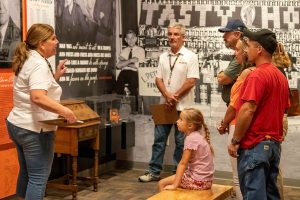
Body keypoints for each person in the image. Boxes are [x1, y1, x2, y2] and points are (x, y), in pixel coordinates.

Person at [6, 23, 77, 200]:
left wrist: (55, 78)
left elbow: (36, 88)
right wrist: (65, 111)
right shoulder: (38, 63)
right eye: (53, 38)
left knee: (27, 173)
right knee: (38, 178)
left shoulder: (30, 58)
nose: (57, 41)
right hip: (35, 129)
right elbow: (37, 97)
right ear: (41, 43)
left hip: (18, 124)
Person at [228, 29, 289, 199]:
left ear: (259, 49)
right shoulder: (280, 76)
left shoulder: (257, 76)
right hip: (273, 146)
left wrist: (235, 140)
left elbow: (247, 110)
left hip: (255, 145)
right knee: (270, 195)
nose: (246, 50)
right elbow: (284, 109)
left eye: (249, 46)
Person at [138, 23, 199, 182]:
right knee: (159, 141)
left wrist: (174, 97)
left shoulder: (191, 56)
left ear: (183, 37)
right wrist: (167, 95)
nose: (172, 37)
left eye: (176, 34)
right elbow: (158, 79)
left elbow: (191, 81)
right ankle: (154, 172)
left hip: (183, 108)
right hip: (164, 106)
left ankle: (177, 175)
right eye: (170, 34)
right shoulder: (163, 56)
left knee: (181, 143)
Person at [217, 39, 255, 200]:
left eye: (238, 50)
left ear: (245, 52)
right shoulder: (254, 72)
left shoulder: (246, 74)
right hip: (245, 125)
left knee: (238, 176)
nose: (235, 53)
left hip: (237, 124)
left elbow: (235, 105)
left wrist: (224, 123)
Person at [158, 108, 214, 191]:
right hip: (207, 181)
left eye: (181, 119)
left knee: (161, 183)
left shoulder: (191, 139)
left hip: (197, 181)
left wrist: (174, 185)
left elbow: (183, 163)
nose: (177, 121)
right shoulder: (198, 135)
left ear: (190, 125)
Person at [217, 19, 246, 106]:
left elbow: (223, 79)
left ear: (237, 34)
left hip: (237, 106)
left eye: (227, 33)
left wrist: (221, 73)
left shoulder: (242, 56)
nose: (223, 37)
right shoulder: (238, 54)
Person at [115, 30, 145, 97]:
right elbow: (118, 65)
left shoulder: (141, 50)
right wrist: (130, 60)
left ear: (136, 39)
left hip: (135, 73)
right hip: (124, 73)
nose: (130, 40)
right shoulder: (124, 51)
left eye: (132, 38)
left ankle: (135, 102)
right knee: (119, 82)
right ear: (126, 40)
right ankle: (120, 100)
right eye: (128, 38)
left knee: (133, 82)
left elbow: (137, 66)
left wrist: (125, 61)